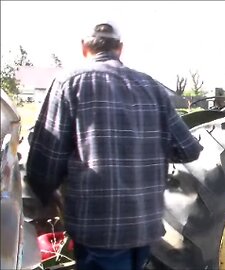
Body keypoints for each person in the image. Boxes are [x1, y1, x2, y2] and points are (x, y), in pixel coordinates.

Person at [26, 21, 203, 270]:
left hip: (97, 228)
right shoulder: (152, 86)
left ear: (84, 48)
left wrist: (41, 198)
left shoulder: (69, 83)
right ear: (119, 48)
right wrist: (147, 147)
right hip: (145, 225)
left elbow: (46, 160)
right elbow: (189, 149)